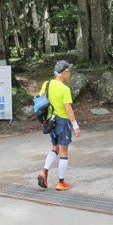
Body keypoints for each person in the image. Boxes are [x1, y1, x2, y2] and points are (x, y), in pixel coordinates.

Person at [37, 60, 80, 190]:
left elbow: (39, 98)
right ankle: (61, 182)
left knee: (55, 147)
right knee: (63, 151)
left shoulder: (47, 84)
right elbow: (68, 109)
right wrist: (75, 126)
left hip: (50, 122)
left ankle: (44, 171)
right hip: (61, 121)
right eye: (69, 71)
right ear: (64, 73)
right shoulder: (65, 89)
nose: (70, 73)